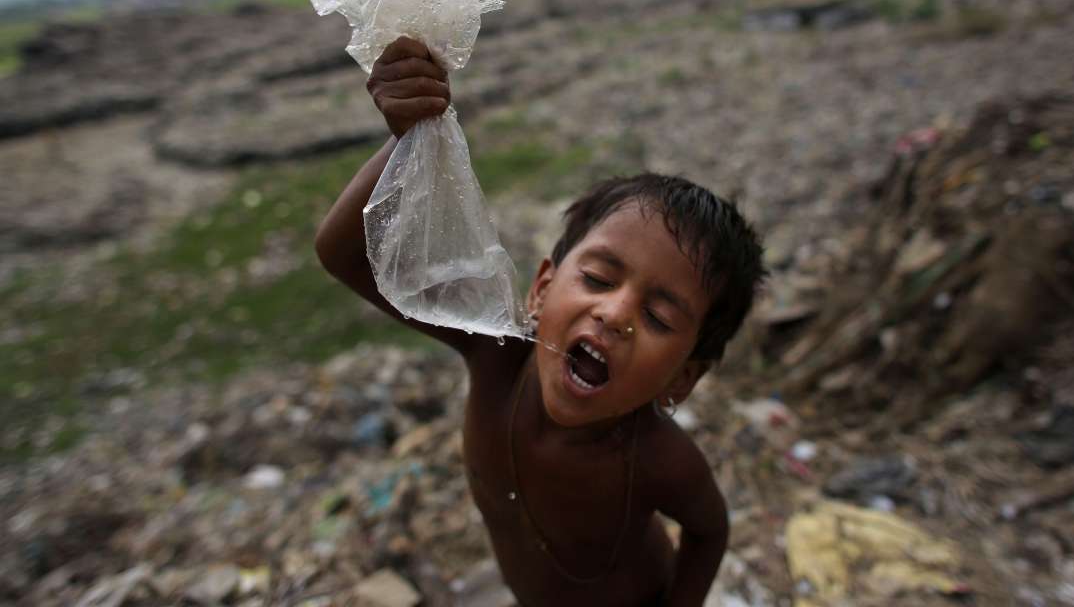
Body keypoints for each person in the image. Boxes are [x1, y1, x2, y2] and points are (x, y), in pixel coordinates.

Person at [315, 37, 766, 607]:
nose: (614, 314)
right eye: (598, 279)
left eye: (657, 316)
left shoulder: (660, 458)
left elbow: (710, 531)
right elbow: (344, 254)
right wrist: (408, 140)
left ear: (682, 379)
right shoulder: (496, 356)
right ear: (543, 288)